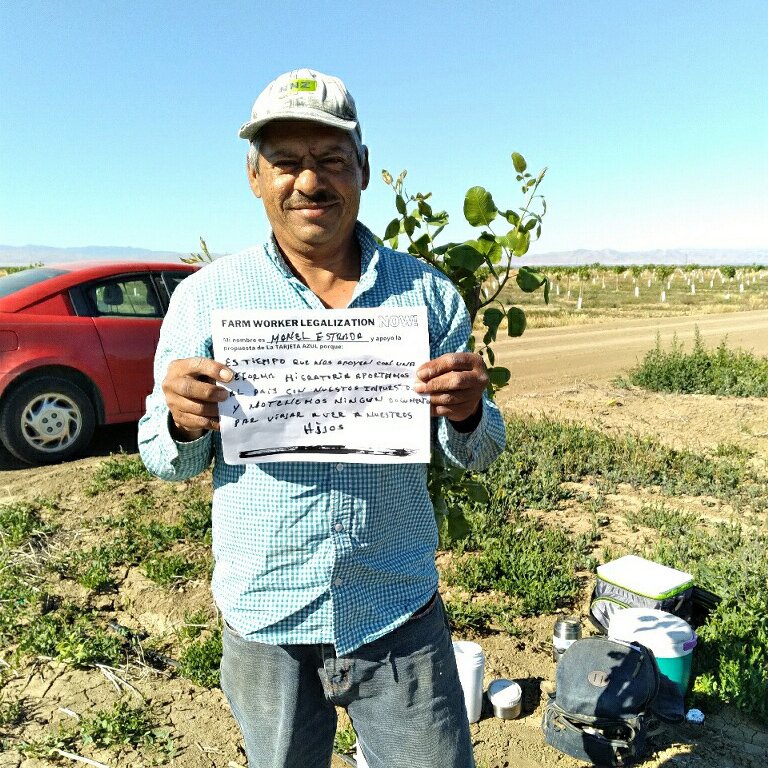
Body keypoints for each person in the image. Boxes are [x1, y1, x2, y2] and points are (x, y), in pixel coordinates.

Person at [138, 68, 506, 768]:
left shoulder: (427, 296)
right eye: (287, 162)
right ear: (255, 176)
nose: (310, 182)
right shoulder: (205, 299)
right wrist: (182, 423)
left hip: (395, 612)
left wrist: (465, 415)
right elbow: (163, 458)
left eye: (332, 159)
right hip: (265, 619)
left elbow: (481, 451)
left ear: (362, 168)